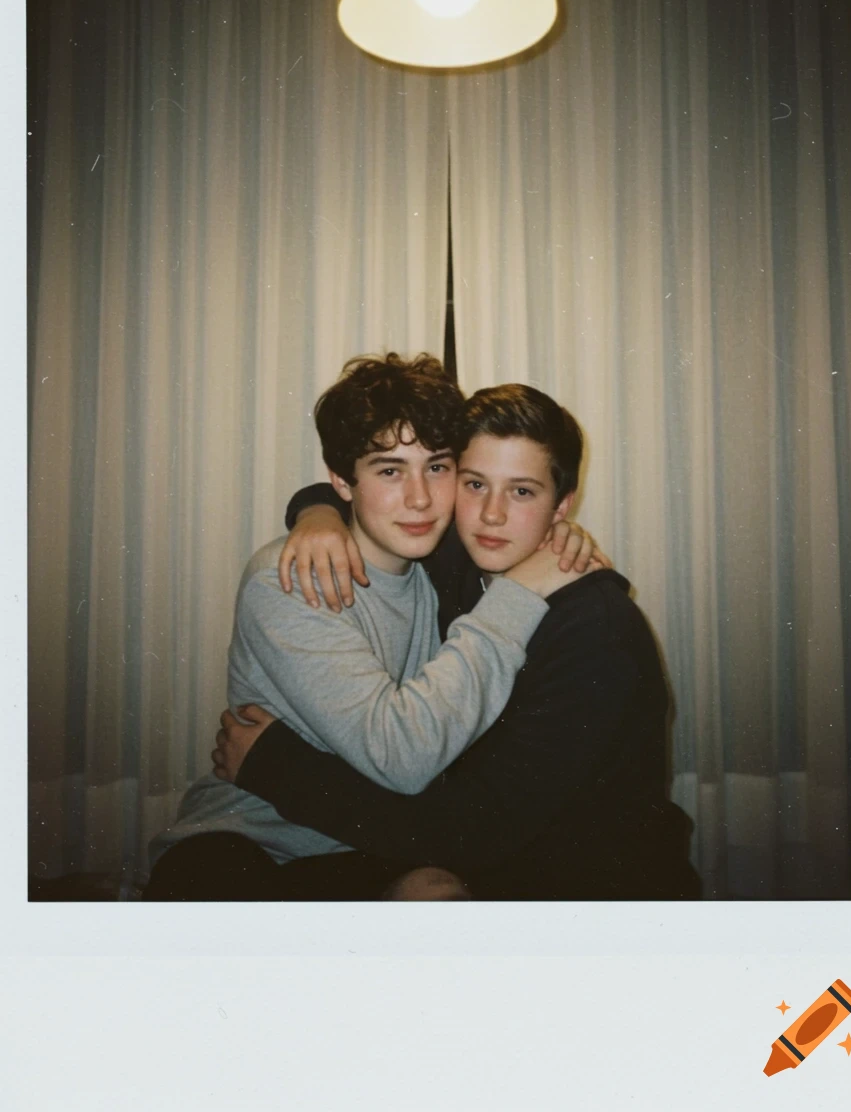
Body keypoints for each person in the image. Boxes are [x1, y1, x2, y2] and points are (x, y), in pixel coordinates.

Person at [211, 383, 701, 900]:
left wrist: (275, 768)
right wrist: (317, 513)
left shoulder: (597, 634)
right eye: (474, 484)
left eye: (522, 491)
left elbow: (475, 828)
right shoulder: (454, 562)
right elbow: (368, 491)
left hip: (592, 895)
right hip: (490, 860)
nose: (491, 514)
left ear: (562, 506)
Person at [144, 355, 591, 901]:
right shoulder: (287, 580)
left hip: (369, 842)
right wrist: (520, 593)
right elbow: (401, 756)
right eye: (389, 470)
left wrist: (560, 545)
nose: (420, 498)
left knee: (443, 900)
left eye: (438, 466)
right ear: (342, 480)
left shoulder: (441, 569)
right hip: (250, 843)